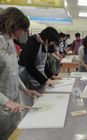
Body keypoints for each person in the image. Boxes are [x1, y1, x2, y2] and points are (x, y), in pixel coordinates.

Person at [0, 7, 40, 140]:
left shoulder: (10, 41)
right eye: (21, 29)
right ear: (11, 24)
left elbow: (12, 72)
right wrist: (7, 102)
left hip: (14, 100)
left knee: (14, 134)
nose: (22, 34)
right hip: (3, 103)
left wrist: (25, 89)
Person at [19, 27, 61, 93]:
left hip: (37, 76)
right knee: (29, 100)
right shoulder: (33, 42)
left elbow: (43, 64)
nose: (51, 44)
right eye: (51, 41)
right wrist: (45, 80)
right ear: (47, 38)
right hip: (27, 75)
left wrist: (51, 75)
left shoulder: (44, 44)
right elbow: (29, 66)